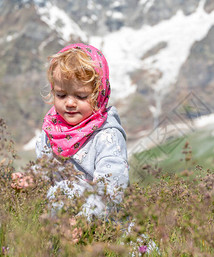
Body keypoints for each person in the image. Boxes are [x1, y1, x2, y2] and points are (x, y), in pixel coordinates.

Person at [13, 43, 129, 220]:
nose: (70, 103)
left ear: (99, 95)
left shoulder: (106, 136)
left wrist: (85, 221)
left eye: (81, 96)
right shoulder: (53, 130)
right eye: (61, 95)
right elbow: (49, 168)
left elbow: (111, 187)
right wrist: (33, 177)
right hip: (63, 220)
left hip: (102, 225)